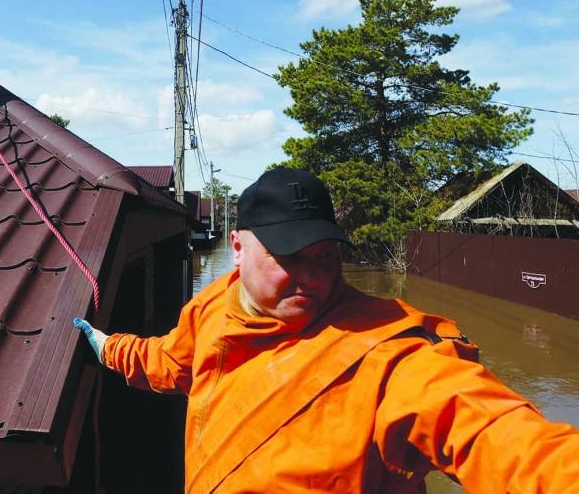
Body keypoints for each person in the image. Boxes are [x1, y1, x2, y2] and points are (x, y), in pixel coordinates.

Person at [74, 167, 579, 493]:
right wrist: (106, 347)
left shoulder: (393, 353)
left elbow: (499, 437)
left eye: (324, 255)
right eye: (288, 256)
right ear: (237, 247)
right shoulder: (210, 306)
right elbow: (168, 361)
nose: (312, 276)